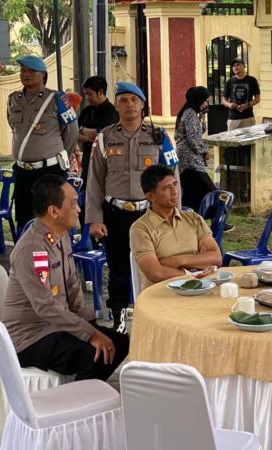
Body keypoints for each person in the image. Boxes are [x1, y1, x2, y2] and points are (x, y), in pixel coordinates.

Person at [1, 174, 128, 381]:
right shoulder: (34, 249)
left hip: (55, 326)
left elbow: (72, 285)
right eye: (73, 204)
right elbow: (46, 307)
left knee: (120, 342)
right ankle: (76, 405)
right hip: (31, 337)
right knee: (94, 354)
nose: (79, 209)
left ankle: (84, 393)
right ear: (54, 211)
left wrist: (90, 324)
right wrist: (91, 334)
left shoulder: (61, 236)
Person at [85, 81, 179, 328]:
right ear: (116, 105)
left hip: (150, 214)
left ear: (143, 105)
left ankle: (154, 315)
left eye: (134, 100)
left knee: (155, 266)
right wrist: (95, 218)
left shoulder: (158, 137)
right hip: (115, 212)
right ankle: (118, 317)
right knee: (117, 267)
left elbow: (173, 177)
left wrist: (174, 212)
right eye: (123, 100)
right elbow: (94, 180)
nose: (129, 105)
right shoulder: (105, 138)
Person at [7, 55, 79, 232]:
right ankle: (27, 256)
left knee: (52, 217)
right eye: (23, 70)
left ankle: (53, 257)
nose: (26, 74)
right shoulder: (13, 99)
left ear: (43, 75)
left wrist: (63, 156)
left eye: (32, 70)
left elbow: (71, 131)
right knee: (24, 218)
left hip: (49, 170)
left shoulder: (56, 99)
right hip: (23, 171)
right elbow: (14, 127)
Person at [130, 165, 222, 288]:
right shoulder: (141, 229)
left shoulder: (194, 219)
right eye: (167, 188)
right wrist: (191, 276)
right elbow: (155, 273)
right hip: (162, 294)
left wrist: (178, 261)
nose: (175, 191)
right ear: (150, 196)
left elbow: (216, 258)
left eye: (175, 184)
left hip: (199, 288)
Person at [176, 86, 216, 212]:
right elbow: (194, 139)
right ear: (198, 100)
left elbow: (200, 130)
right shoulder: (190, 115)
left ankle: (196, 218)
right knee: (208, 189)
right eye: (204, 101)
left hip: (190, 157)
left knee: (192, 191)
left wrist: (203, 116)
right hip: (189, 159)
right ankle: (217, 216)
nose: (206, 104)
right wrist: (205, 150)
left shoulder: (192, 113)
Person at [77, 76, 118, 189]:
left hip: (105, 161)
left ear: (100, 92)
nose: (87, 97)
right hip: (87, 159)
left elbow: (101, 135)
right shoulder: (87, 111)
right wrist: (87, 137)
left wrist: (83, 129)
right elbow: (74, 133)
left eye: (89, 94)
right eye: (85, 94)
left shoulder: (112, 112)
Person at [222, 58, 261, 130]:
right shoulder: (229, 82)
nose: (235, 67)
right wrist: (230, 104)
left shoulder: (252, 80)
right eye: (233, 66)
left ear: (244, 66)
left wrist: (247, 105)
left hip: (248, 117)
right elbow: (224, 100)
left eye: (238, 65)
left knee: (249, 140)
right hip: (233, 118)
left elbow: (257, 99)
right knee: (232, 140)